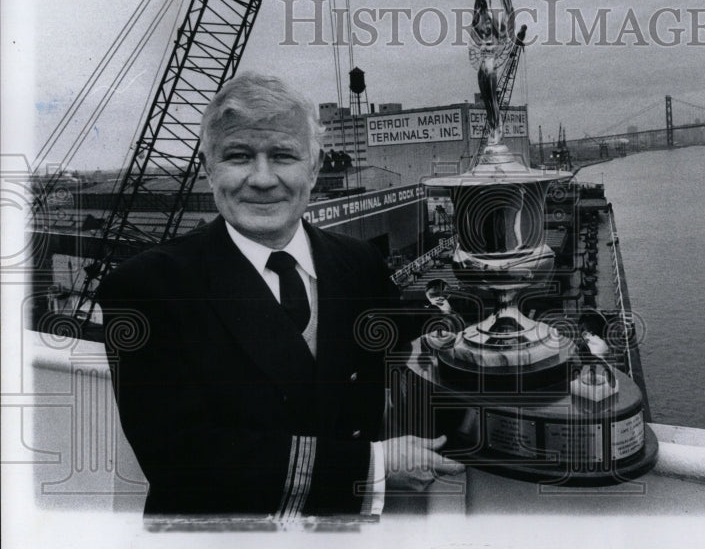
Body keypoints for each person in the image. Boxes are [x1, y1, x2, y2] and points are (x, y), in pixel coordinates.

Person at [98, 72, 462, 519]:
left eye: (283, 155)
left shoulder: (357, 264)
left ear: (314, 165)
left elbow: (409, 358)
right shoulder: (148, 289)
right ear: (209, 167)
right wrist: (375, 465)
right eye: (238, 156)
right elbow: (181, 459)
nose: (263, 178)